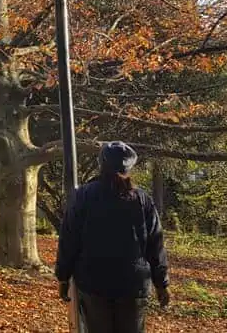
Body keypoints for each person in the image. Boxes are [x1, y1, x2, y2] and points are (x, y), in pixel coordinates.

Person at [55, 141, 170, 333]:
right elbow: (155, 245)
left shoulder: (83, 196)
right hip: (132, 286)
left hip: (94, 283)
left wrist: (63, 277)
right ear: (129, 168)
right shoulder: (142, 200)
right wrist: (162, 284)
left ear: (102, 164)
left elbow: (69, 239)